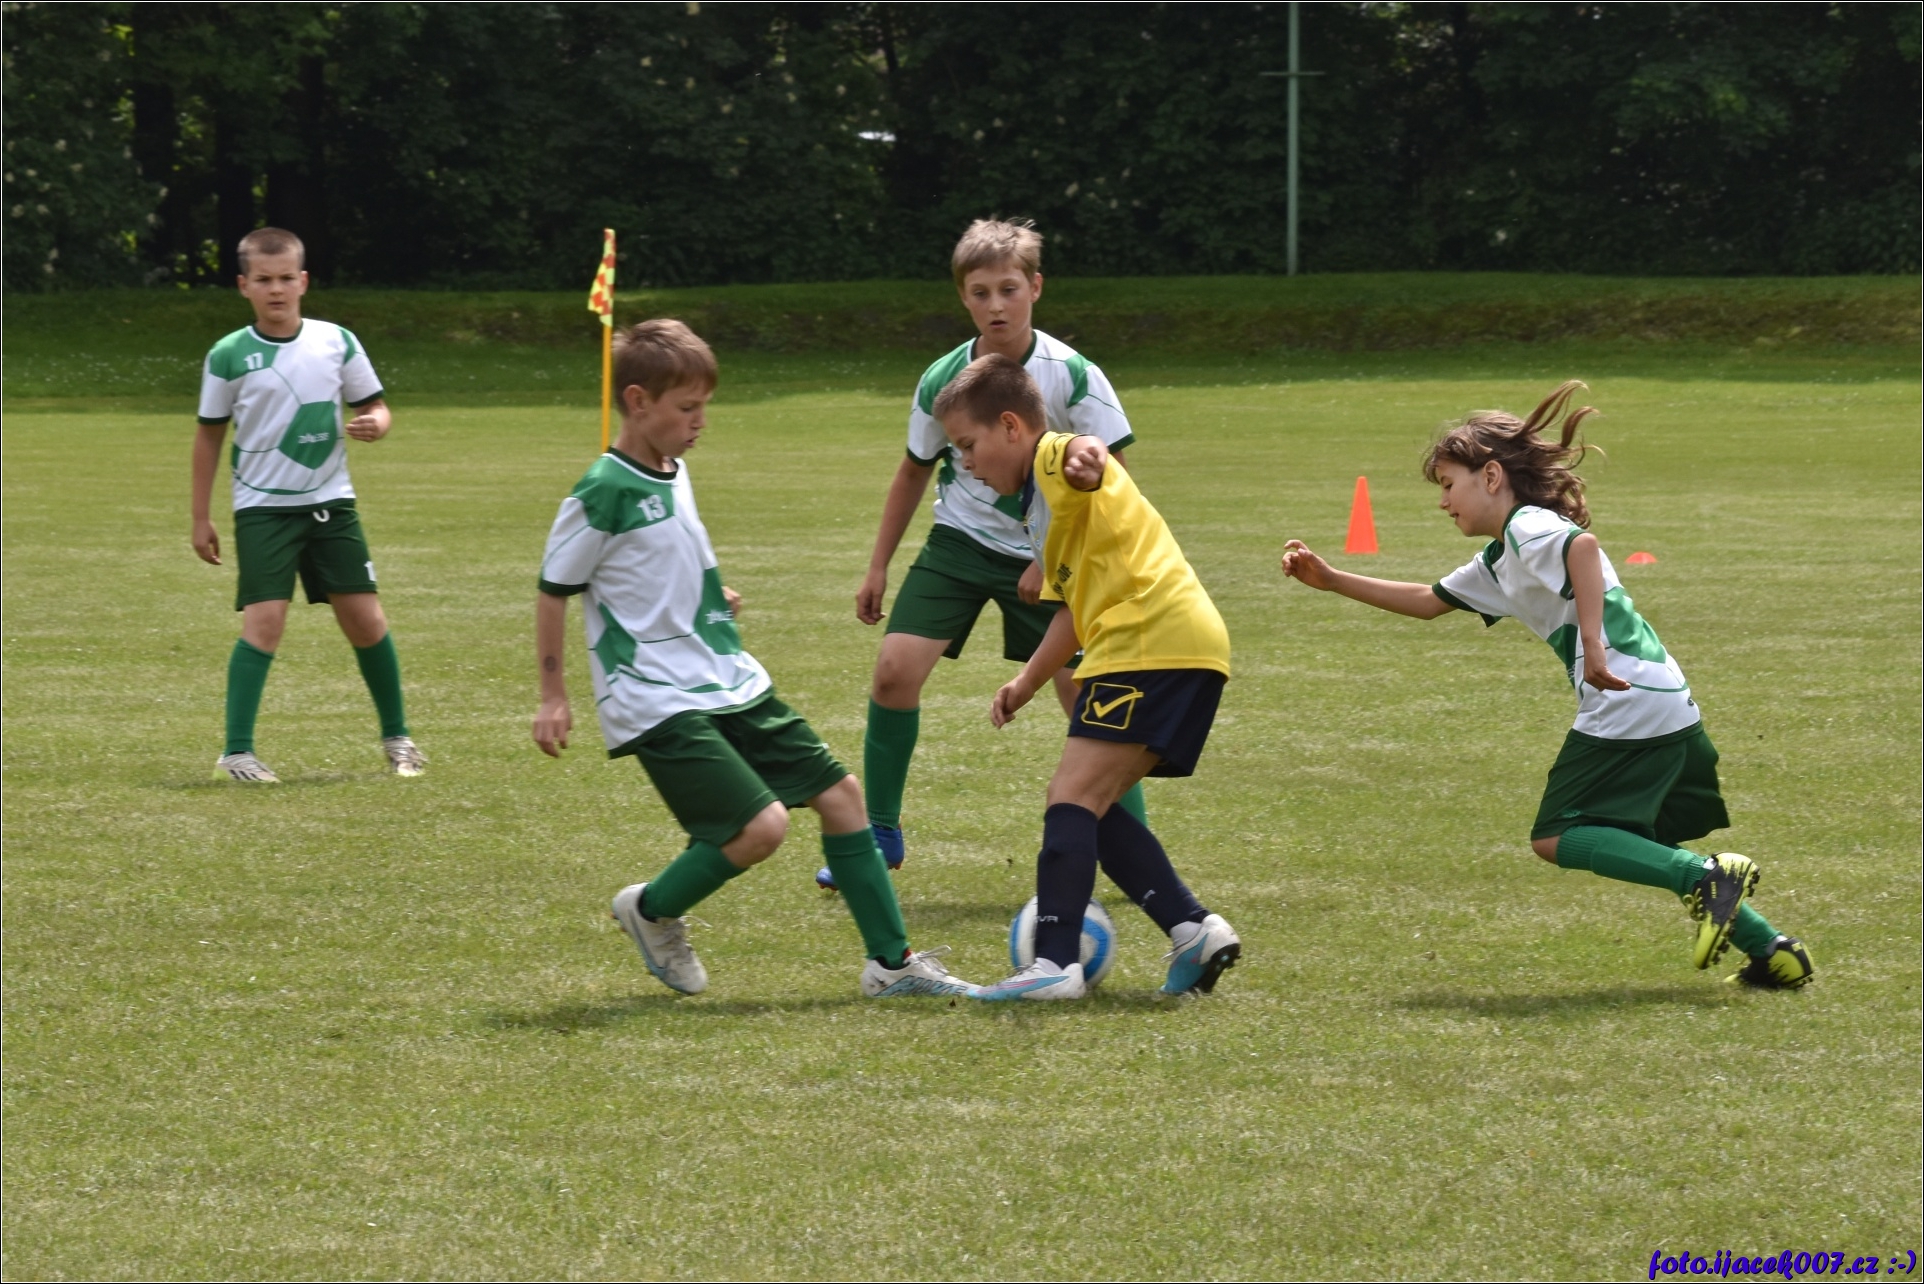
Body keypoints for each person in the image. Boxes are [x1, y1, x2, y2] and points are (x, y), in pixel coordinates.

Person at [1280, 380, 1813, 989]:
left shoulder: (1529, 526)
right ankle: (1773, 952)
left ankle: (1706, 878)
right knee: (1629, 839)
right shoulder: (1499, 558)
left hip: (1623, 698)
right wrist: (1333, 580)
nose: (1443, 502)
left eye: (1448, 485)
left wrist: (1592, 644)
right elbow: (1429, 601)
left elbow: (1582, 547)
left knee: (1558, 835)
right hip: (1660, 696)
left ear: (1491, 476)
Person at [532, 319, 979, 999]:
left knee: (843, 797)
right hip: (656, 695)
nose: (700, 422)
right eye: (687, 407)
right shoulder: (601, 491)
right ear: (637, 401)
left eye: (704, 406)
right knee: (761, 828)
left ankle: (893, 966)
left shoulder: (672, 469)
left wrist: (710, 595)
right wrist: (553, 696)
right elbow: (554, 590)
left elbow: (657, 565)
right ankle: (652, 909)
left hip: (727, 677)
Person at [826, 218, 1144, 890]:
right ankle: (879, 833)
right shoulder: (943, 378)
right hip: (960, 543)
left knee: (1085, 698)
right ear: (963, 298)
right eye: (980, 292)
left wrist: (1052, 557)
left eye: (1008, 289)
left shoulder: (1074, 376)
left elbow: (1114, 480)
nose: (996, 305)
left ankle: (1131, 851)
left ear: (1036, 287)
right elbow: (914, 469)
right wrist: (878, 565)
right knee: (893, 671)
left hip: (1053, 557)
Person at [933, 353, 1242, 1001]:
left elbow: (1084, 451)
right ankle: (1192, 930)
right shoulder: (1041, 513)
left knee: (1069, 798)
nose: (966, 463)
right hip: (1181, 645)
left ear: (1011, 427)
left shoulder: (1052, 460)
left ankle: (1053, 963)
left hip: (1146, 642)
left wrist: (1090, 458)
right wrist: (1025, 683)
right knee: (1091, 808)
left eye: (967, 445)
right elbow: (1073, 612)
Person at [192, 227, 422, 783]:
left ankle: (399, 740)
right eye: (263, 280)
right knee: (265, 622)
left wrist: (377, 424)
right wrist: (200, 517)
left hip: (331, 504)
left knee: (365, 620)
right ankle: (237, 753)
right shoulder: (228, 355)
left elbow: (376, 406)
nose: (276, 289)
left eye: (285, 278)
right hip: (263, 508)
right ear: (244, 285)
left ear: (303, 281)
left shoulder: (336, 342)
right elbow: (208, 436)